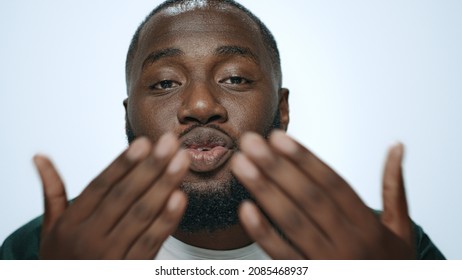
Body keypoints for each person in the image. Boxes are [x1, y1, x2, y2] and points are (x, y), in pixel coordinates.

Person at [0, 0, 444, 260]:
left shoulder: (379, 249)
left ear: (282, 109)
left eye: (234, 78)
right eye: (164, 83)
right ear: (127, 116)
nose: (199, 106)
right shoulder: (46, 249)